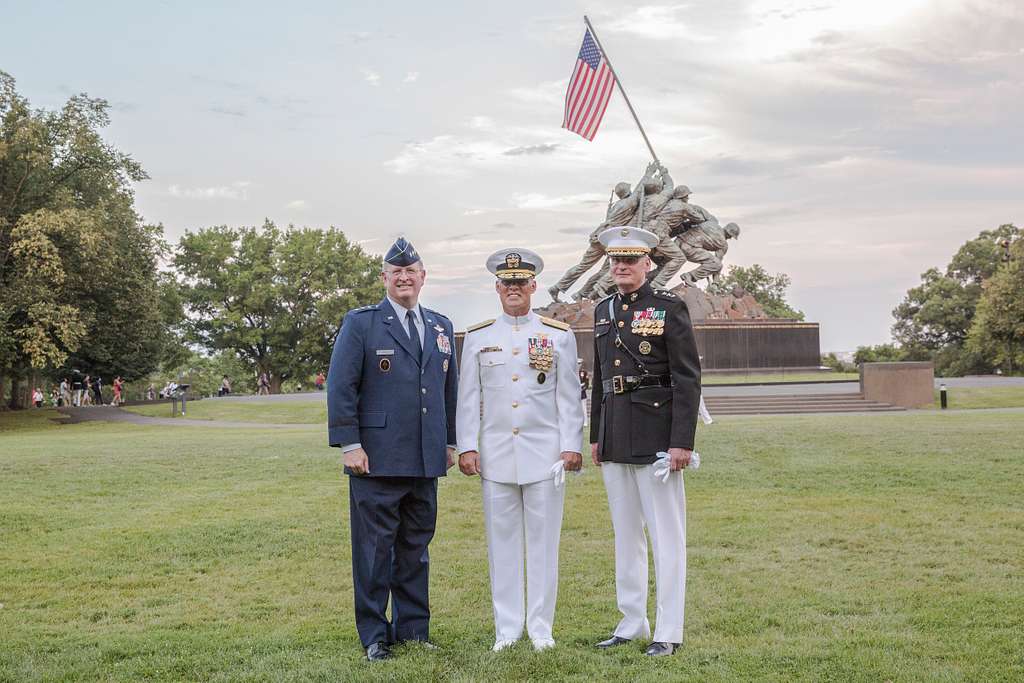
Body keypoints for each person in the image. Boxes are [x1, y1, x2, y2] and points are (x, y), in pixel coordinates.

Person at [327, 237, 458, 662]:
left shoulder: (439, 326)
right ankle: (375, 636)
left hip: (425, 458)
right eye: (395, 272)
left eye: (411, 271)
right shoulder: (362, 323)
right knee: (373, 552)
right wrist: (349, 443)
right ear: (384, 278)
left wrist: (451, 441)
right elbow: (341, 386)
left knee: (415, 550)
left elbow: (447, 391)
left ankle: (414, 632)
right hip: (376, 459)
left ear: (423, 277)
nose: (404, 277)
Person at [457, 248, 584, 652]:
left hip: (545, 457)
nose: (513, 289)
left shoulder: (558, 335)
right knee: (502, 546)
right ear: (497, 287)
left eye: (520, 283)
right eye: (506, 283)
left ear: (533, 286)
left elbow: (569, 397)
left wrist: (570, 446)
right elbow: (467, 398)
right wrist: (466, 446)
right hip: (495, 455)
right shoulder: (479, 337)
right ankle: (507, 630)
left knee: (545, 545)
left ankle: (541, 629)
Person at [589, 226, 702, 657]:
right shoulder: (603, 310)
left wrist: (681, 443)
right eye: (615, 261)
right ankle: (631, 622)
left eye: (630, 260)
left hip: (657, 437)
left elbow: (687, 378)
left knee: (665, 537)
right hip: (615, 433)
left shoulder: (669, 307)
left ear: (647, 264)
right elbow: (600, 378)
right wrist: (597, 435)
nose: (621, 267)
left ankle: (668, 631)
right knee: (626, 536)